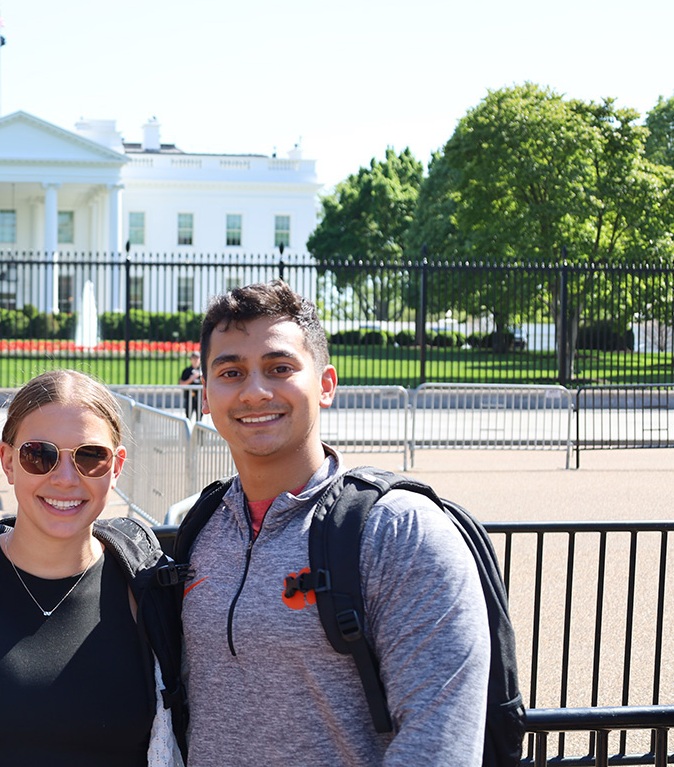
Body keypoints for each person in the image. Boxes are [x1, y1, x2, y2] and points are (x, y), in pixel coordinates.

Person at [178, 281, 490, 765]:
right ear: (206, 395)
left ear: (325, 385)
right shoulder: (201, 528)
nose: (255, 391)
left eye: (279, 368)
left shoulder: (397, 531)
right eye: (231, 372)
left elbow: (438, 744)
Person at [0, 369, 183, 767]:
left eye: (90, 456)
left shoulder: (155, 591)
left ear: (116, 467)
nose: (65, 479)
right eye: (39, 455)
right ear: (8, 461)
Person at [177, 350, 202, 418]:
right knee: (188, 416)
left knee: (200, 417)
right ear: (191, 359)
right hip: (189, 396)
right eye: (194, 358)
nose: (195, 360)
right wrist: (191, 379)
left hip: (200, 397)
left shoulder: (203, 371)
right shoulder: (187, 371)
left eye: (197, 358)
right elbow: (181, 384)